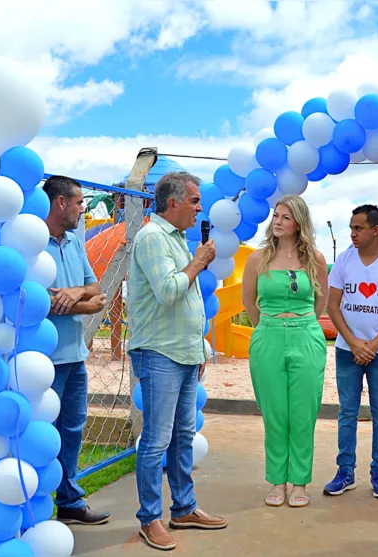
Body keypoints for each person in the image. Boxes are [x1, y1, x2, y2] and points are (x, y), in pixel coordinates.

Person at [127, 171, 227, 551]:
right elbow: (170, 291)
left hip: (183, 352)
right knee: (156, 440)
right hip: (159, 353)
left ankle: (183, 508)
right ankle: (149, 518)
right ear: (173, 203)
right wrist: (198, 263)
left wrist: (199, 348)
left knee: (183, 435)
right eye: (195, 201)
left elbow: (190, 301)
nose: (200, 208)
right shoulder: (152, 238)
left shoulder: (177, 239)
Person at [242, 195, 328, 508]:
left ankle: (300, 482)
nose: (277, 222)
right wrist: (269, 327)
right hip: (269, 337)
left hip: (306, 336)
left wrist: (301, 326)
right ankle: (278, 482)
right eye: (276, 216)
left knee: (303, 415)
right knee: (275, 414)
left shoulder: (315, 259)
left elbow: (321, 300)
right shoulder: (258, 258)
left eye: (285, 217)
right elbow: (249, 302)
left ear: (299, 224)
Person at [322, 204, 378, 499]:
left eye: (358, 228)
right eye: (351, 228)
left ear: (376, 230)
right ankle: (345, 472)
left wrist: (372, 346)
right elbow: (332, 305)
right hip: (347, 351)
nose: (352, 234)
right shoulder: (345, 260)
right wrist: (352, 341)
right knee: (347, 412)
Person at [43, 175, 110, 525]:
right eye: (80, 202)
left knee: (72, 432)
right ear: (61, 203)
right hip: (42, 363)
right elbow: (38, 300)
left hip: (74, 358)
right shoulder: (31, 241)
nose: (84, 208)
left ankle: (68, 501)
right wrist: (83, 303)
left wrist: (73, 293)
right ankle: (36, 507)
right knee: (42, 435)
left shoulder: (74, 242)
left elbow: (95, 287)